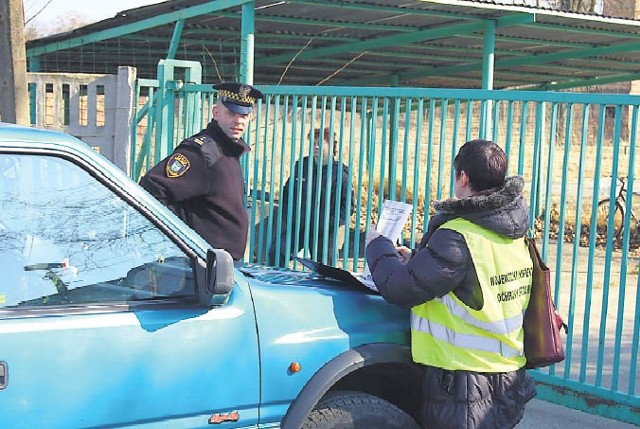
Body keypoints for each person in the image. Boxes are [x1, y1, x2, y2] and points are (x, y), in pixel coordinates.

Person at [365, 139, 536, 429]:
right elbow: (471, 277)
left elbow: (400, 288)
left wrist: (378, 246)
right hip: (507, 378)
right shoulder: (511, 228)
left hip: (465, 387)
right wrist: (417, 260)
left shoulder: (458, 234)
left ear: (463, 177)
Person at [139, 82, 264, 262]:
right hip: (199, 267)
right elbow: (152, 190)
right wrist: (182, 242)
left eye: (244, 115)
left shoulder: (227, 151)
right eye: (231, 113)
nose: (238, 121)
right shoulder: (203, 152)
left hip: (220, 266)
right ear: (216, 113)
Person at [268, 128, 353, 266]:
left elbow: (348, 206)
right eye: (313, 143)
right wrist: (288, 217)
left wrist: (330, 223)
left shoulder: (340, 173)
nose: (316, 146)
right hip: (298, 227)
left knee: (325, 269)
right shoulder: (302, 166)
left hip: (323, 232)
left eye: (320, 143)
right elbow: (286, 193)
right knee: (277, 253)